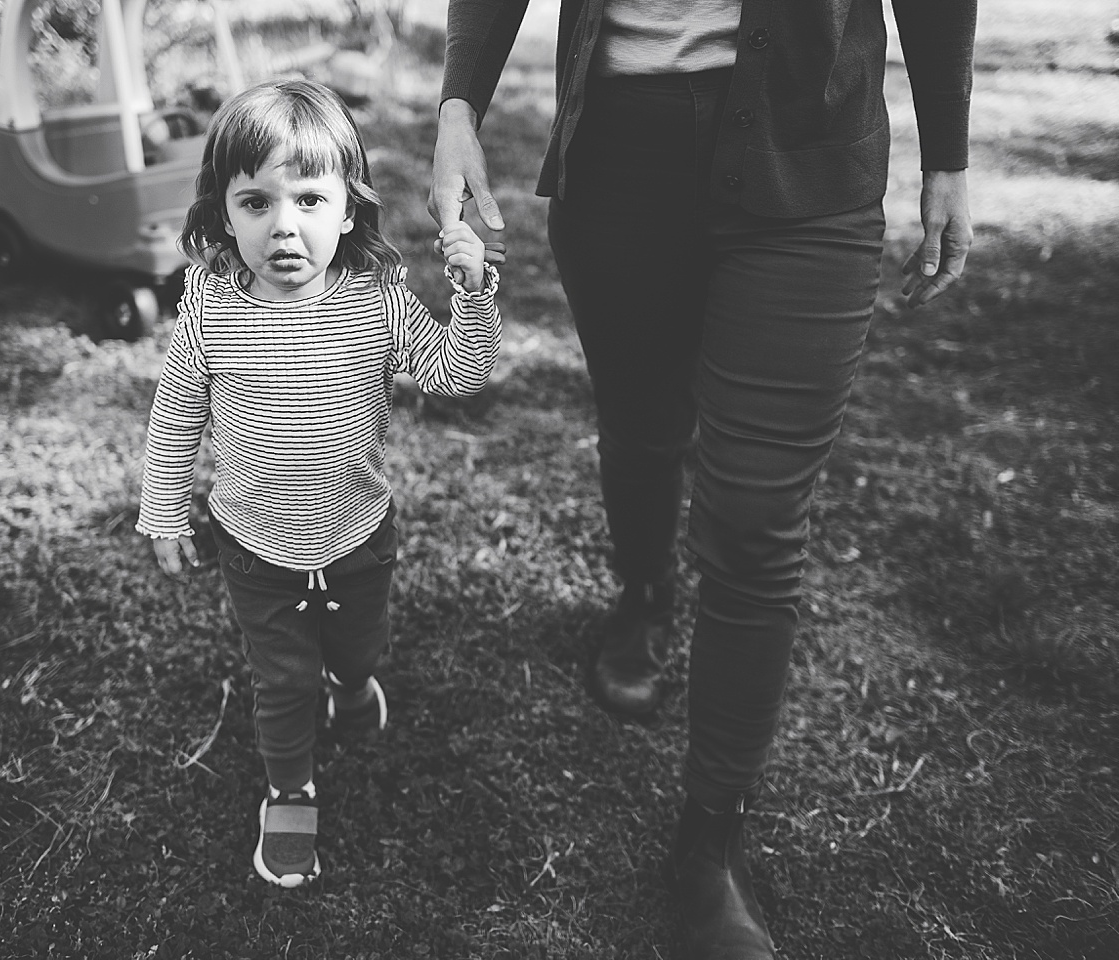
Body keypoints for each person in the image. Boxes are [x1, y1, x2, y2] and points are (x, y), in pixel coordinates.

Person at [428, 1, 974, 956]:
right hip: (619, 154)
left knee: (759, 517)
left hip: (807, 158)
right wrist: (456, 108)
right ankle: (643, 596)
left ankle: (708, 843)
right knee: (642, 429)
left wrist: (949, 153)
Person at [138, 78, 503, 888]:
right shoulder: (212, 304)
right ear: (224, 214)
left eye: (308, 198)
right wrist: (165, 509)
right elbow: (176, 412)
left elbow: (456, 372)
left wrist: (472, 298)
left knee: (356, 650)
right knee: (284, 679)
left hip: (357, 534)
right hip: (256, 543)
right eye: (256, 203)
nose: (285, 226)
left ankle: (352, 679)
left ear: (347, 208)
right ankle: (290, 787)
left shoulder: (376, 299)